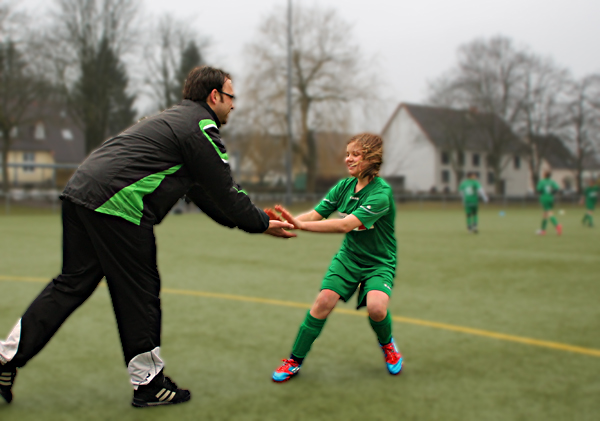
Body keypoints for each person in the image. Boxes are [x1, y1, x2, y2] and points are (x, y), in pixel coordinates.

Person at [0, 66, 295, 407]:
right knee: (139, 291)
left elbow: (203, 193)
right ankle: (149, 385)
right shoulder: (200, 128)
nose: (234, 105)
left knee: (70, 284)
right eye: (231, 97)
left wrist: (253, 222)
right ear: (214, 96)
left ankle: (5, 359)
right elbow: (227, 193)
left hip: (80, 192)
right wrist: (260, 223)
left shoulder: (170, 121)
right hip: (116, 204)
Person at [271, 133, 403, 383]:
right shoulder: (343, 187)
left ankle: (388, 346)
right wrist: (280, 223)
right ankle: (294, 361)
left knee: (376, 308)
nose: (348, 159)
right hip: (349, 258)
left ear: (370, 158)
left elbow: (345, 225)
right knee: (323, 302)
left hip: (379, 262)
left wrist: (299, 225)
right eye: (347, 154)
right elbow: (317, 214)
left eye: (355, 154)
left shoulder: (381, 194)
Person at [536, 170, 562, 235]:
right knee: (545, 214)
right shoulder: (552, 182)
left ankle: (557, 225)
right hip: (551, 198)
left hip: (544, 198)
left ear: (544, 175)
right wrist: (552, 193)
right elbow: (557, 188)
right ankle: (543, 230)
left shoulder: (542, 182)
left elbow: (538, 189)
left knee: (549, 213)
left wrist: (542, 193)